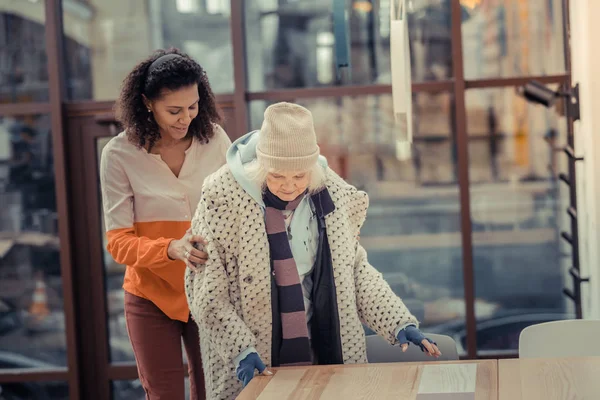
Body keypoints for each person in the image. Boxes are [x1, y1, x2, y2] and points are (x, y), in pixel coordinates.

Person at [185, 102, 441, 400]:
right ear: (260, 166)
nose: (289, 187)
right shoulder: (222, 198)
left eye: (299, 176)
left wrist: (399, 322)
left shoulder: (329, 193)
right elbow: (206, 292)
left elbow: (354, 271)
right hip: (251, 353)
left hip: (322, 342)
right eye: (277, 176)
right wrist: (240, 349)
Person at [100, 48, 231, 400]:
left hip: (208, 291)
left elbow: (238, 211)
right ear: (146, 103)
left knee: (216, 392)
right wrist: (170, 248)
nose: (185, 118)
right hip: (150, 295)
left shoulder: (215, 141)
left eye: (192, 107)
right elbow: (118, 243)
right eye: (173, 110)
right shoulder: (119, 155)